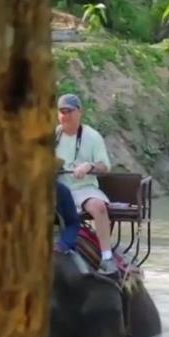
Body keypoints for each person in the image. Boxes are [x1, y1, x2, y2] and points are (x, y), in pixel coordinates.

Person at [54, 93, 117, 275]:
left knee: (98, 207)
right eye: (61, 111)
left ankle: (106, 257)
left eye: (69, 111)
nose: (65, 115)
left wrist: (89, 166)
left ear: (79, 112)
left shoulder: (92, 136)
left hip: (84, 189)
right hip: (59, 190)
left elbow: (105, 167)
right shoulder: (53, 135)